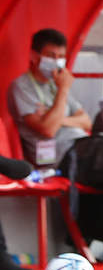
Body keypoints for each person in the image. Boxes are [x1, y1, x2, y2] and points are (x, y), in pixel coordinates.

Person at [7, 28, 91, 167]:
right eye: (51, 56)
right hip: (59, 157)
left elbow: (87, 122)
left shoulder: (56, 83)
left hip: (82, 144)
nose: (57, 61)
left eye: (61, 56)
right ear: (34, 56)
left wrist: (56, 119)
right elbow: (48, 130)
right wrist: (63, 89)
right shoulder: (21, 86)